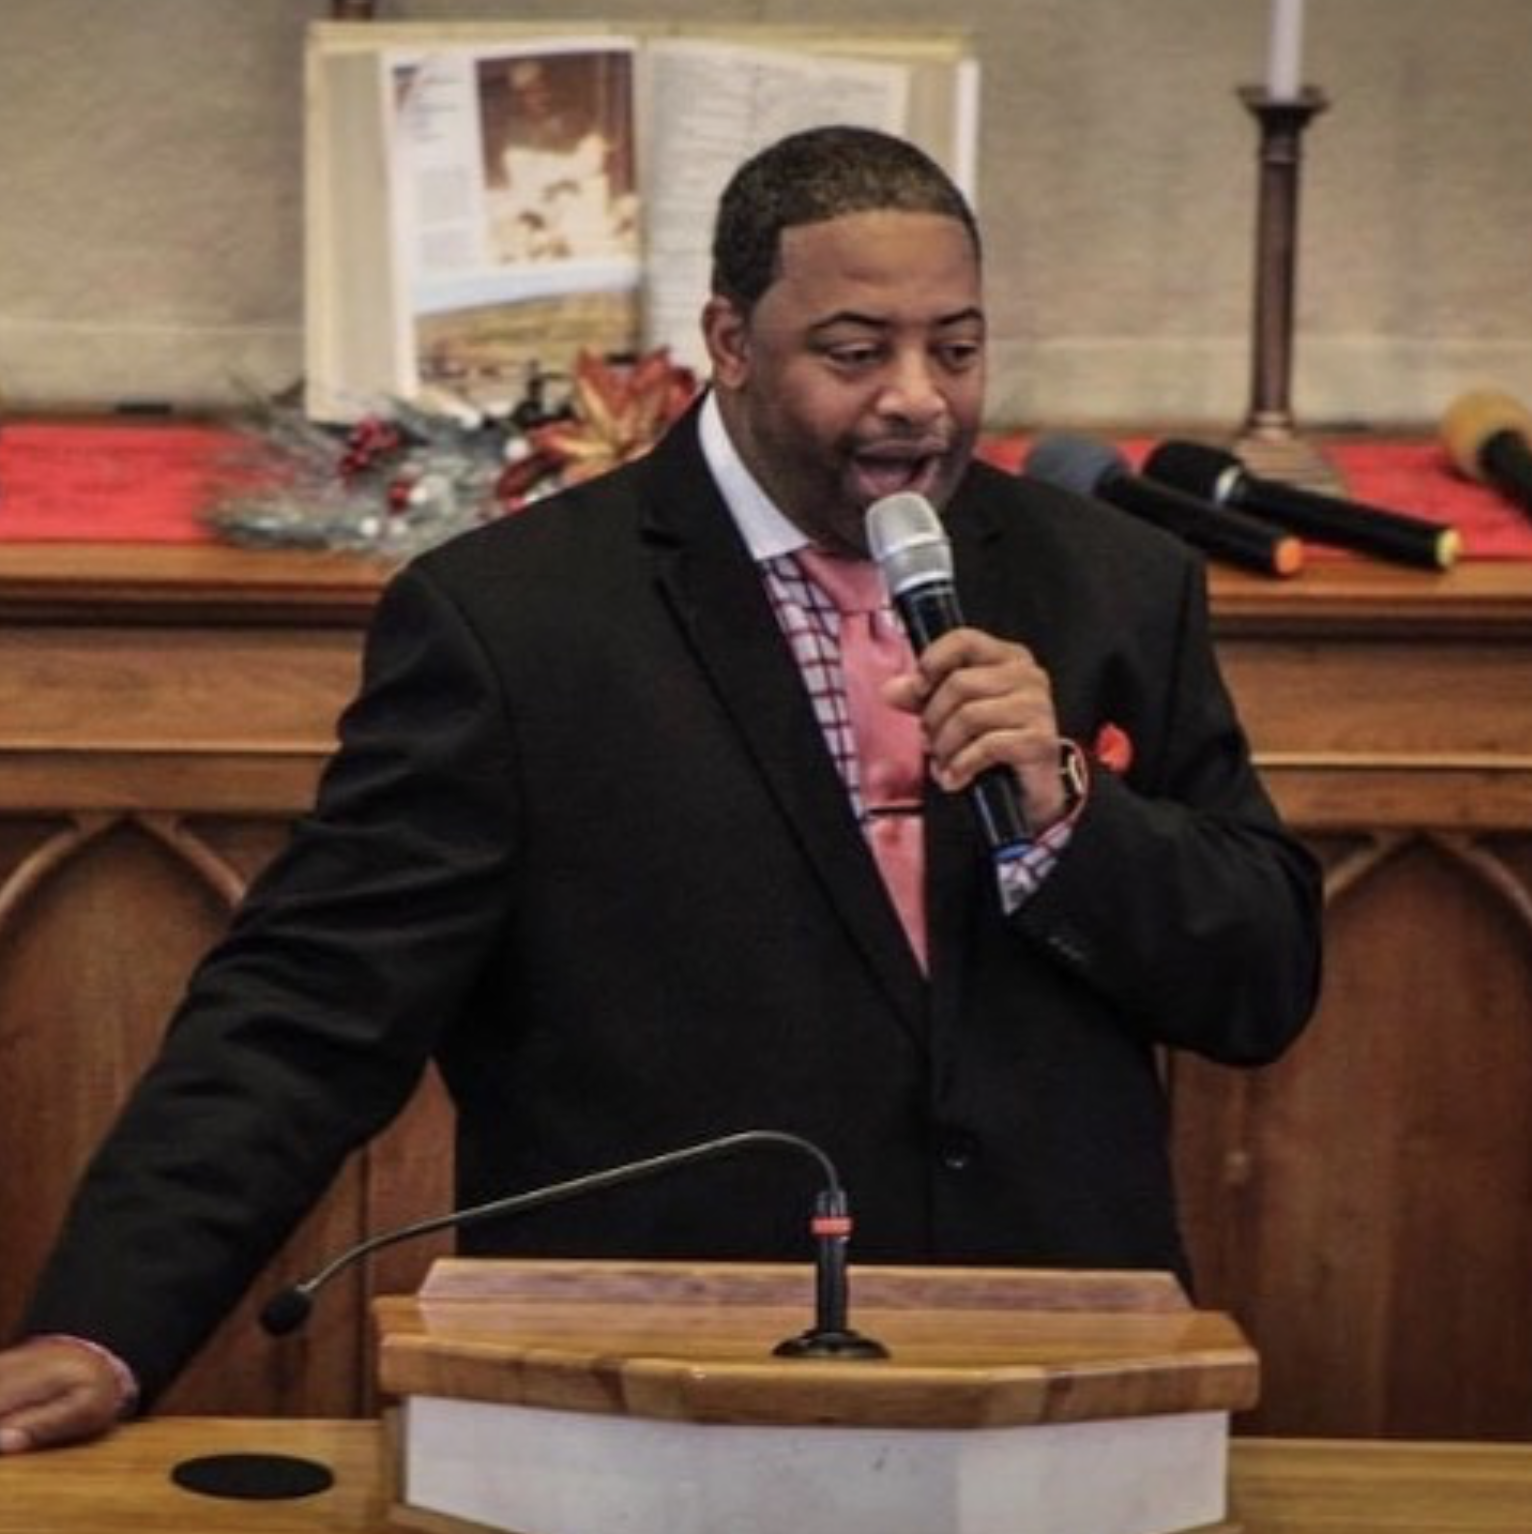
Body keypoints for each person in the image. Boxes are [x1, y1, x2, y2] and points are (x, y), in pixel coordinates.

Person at [0, 125, 1322, 1454]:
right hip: (650, 1382)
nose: (919, 399)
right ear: (731, 341)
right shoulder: (517, 622)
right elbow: (307, 1013)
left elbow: (1261, 980)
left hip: (1059, 1374)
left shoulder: (1113, 585)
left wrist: (1067, 814)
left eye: (958, 348)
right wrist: (107, 1327)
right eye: (855, 352)